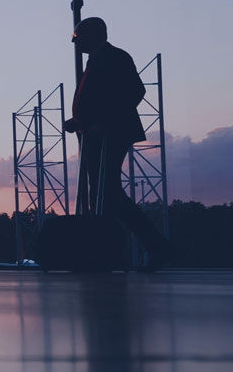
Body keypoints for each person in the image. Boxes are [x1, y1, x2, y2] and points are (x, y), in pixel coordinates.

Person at [65, 17, 174, 271]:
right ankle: (126, 249)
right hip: (95, 134)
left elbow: (134, 91)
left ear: (94, 35)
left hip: (109, 134)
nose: (75, 43)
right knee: (104, 193)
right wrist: (80, 121)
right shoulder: (97, 60)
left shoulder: (115, 57)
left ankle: (147, 247)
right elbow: (101, 97)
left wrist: (102, 122)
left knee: (107, 192)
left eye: (78, 37)